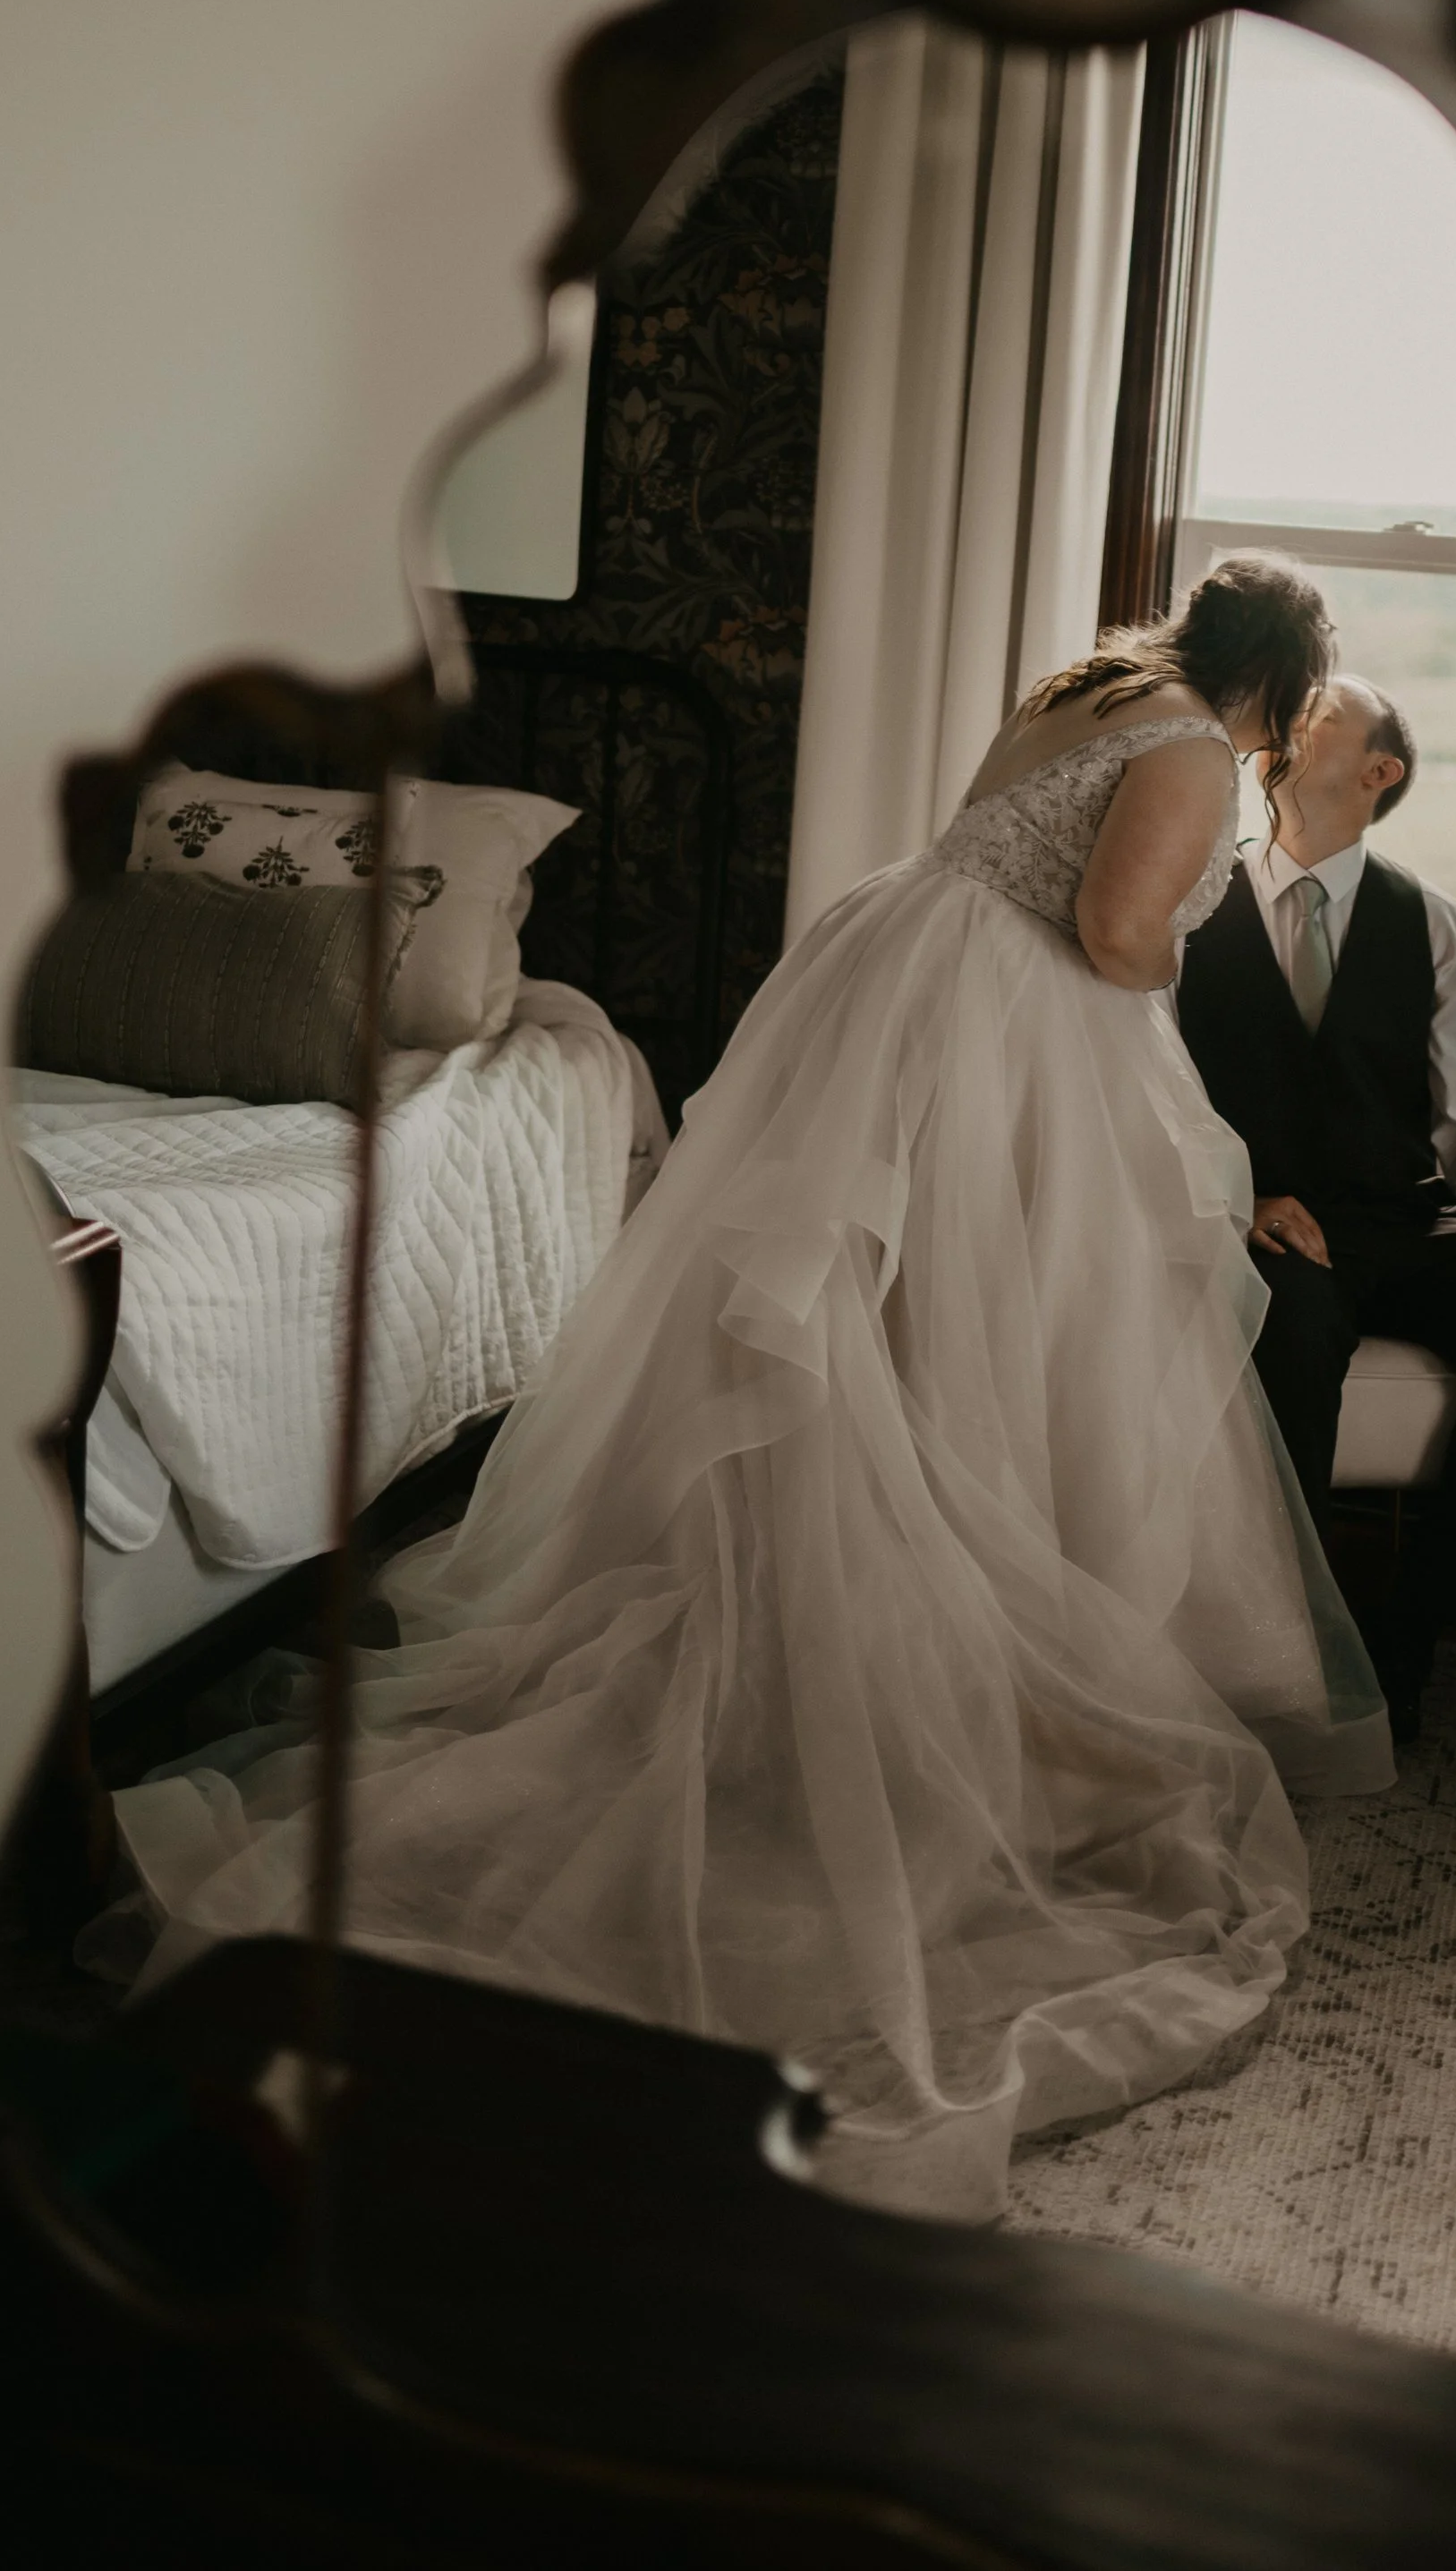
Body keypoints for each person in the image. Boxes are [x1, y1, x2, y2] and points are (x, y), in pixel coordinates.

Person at [111, 558, 1391, 2224]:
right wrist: (1165, 1011)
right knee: (978, 1363)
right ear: (1278, 686)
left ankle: (846, 1634)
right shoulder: (1195, 747)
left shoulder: (1089, 692)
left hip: (907, 979)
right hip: (1005, 1022)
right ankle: (918, 1697)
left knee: (890, 1359)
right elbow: (1111, 930)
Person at [1176, 673, 1456, 1743]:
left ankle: (1408, 1634)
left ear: (1381, 771)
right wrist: (1231, 1193)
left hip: (1403, 1222)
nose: (1292, 716)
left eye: (1322, 711)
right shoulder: (1187, 901)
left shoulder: (1436, 925)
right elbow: (1141, 1087)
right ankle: (1281, 1642)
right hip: (1260, 1226)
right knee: (1287, 1326)